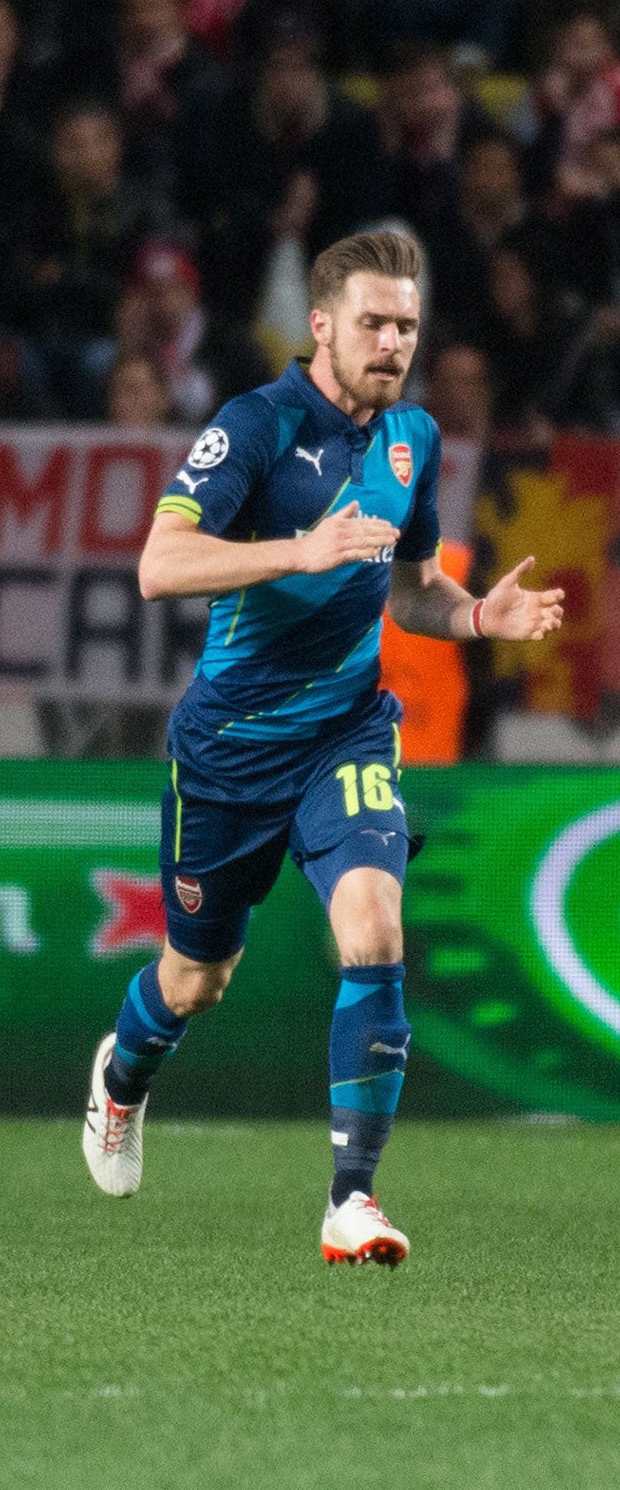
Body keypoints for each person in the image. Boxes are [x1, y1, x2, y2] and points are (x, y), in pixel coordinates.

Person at [79, 231, 563, 1265]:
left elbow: (407, 585)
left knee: (374, 925)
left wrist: (478, 619)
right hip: (228, 748)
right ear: (320, 325)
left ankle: (351, 1200)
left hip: (344, 730)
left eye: (405, 326)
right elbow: (158, 566)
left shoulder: (411, 441)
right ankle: (120, 1076)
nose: (391, 342)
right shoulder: (252, 426)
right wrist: (294, 550)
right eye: (372, 323)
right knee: (195, 979)